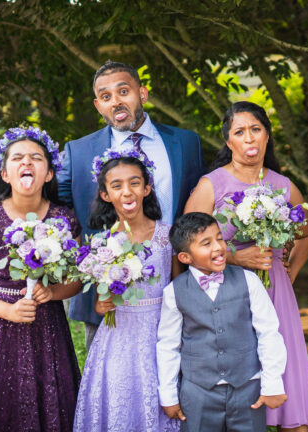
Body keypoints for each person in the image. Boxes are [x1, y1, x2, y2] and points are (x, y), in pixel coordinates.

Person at [0, 61, 206, 348]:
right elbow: (43, 203)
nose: (116, 101)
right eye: (106, 96)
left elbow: (200, 209)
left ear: (142, 94)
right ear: (98, 105)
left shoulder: (186, 143)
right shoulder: (79, 151)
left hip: (176, 281)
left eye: (124, 91)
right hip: (105, 295)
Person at [183, 101, 308, 431]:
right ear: (228, 140)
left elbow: (307, 234)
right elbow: (187, 243)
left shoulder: (283, 186)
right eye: (239, 132)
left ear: (267, 136)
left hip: (276, 293)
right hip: (226, 295)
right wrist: (234, 258)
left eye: (256, 129)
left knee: (288, 389)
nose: (249, 138)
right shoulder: (211, 185)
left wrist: (288, 272)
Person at [0, 127, 81, 432]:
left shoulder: (65, 221)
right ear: (5, 174)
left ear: (49, 174)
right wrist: (8, 311)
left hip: (46, 327)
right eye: (18, 158)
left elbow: (76, 280)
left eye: (36, 158)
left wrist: (54, 292)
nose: (27, 162)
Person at [73, 149, 179, 431]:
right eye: (116, 185)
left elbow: (179, 289)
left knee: (158, 395)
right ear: (105, 194)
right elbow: (101, 302)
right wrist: (101, 305)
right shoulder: (102, 243)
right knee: (121, 397)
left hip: (161, 331)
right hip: (118, 334)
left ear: (147, 188)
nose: (127, 191)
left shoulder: (167, 236)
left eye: (134, 183)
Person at [157, 212, 287, 432]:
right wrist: (168, 395)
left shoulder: (249, 280)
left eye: (219, 238)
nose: (218, 247)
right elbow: (168, 346)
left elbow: (268, 332)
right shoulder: (174, 292)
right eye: (206, 243)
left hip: (247, 387)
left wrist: (272, 382)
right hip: (198, 393)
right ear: (186, 257)